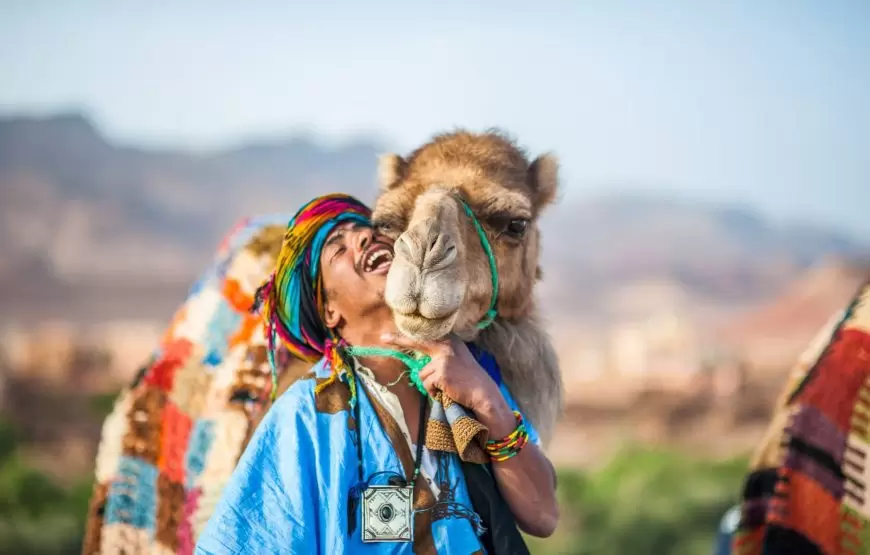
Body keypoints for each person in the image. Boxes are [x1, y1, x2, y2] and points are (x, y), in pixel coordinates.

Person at [195, 194, 559, 554]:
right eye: (338, 249)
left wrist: (485, 397)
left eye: (366, 230)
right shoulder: (306, 417)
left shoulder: (468, 370)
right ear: (329, 311)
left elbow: (543, 516)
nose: (364, 238)